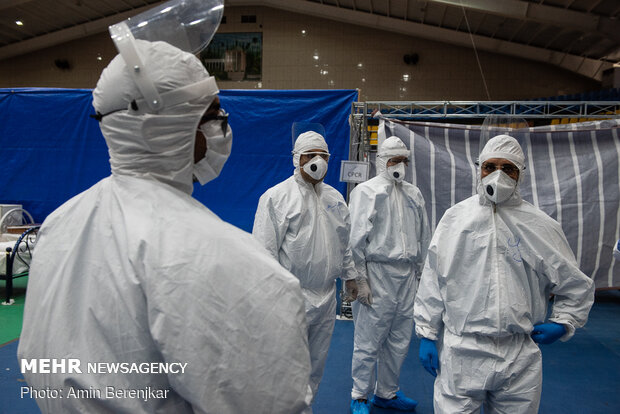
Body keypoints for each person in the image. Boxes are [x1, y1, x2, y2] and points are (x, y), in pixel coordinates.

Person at [18, 40, 312, 414]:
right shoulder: (222, 258)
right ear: (170, 126)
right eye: (213, 115)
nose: (223, 128)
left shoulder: (63, 222)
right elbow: (268, 401)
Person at [414, 134, 595, 413]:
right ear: (480, 169)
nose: (497, 175)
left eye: (507, 168)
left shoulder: (540, 225)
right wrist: (427, 332)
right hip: (463, 350)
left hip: (519, 354)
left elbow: (574, 282)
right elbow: (433, 279)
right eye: (490, 166)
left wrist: (564, 321)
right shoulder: (455, 219)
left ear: (520, 173)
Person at [252, 130, 358, 414]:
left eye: (322, 156)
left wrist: (350, 275)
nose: (317, 162)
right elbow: (264, 253)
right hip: (291, 297)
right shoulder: (276, 198)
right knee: (284, 366)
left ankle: (304, 410)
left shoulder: (335, 198)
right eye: (310, 156)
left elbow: (343, 242)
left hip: (326, 297)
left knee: (315, 365)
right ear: (297, 159)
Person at [348, 136, 431, 414]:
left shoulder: (413, 193)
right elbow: (355, 239)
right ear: (381, 161)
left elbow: (423, 235)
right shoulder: (366, 192)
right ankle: (359, 394)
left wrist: (421, 275)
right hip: (378, 273)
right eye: (393, 160)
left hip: (407, 275)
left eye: (403, 161)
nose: (399, 166)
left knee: (399, 339)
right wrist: (360, 279)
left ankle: (386, 392)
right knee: (368, 339)